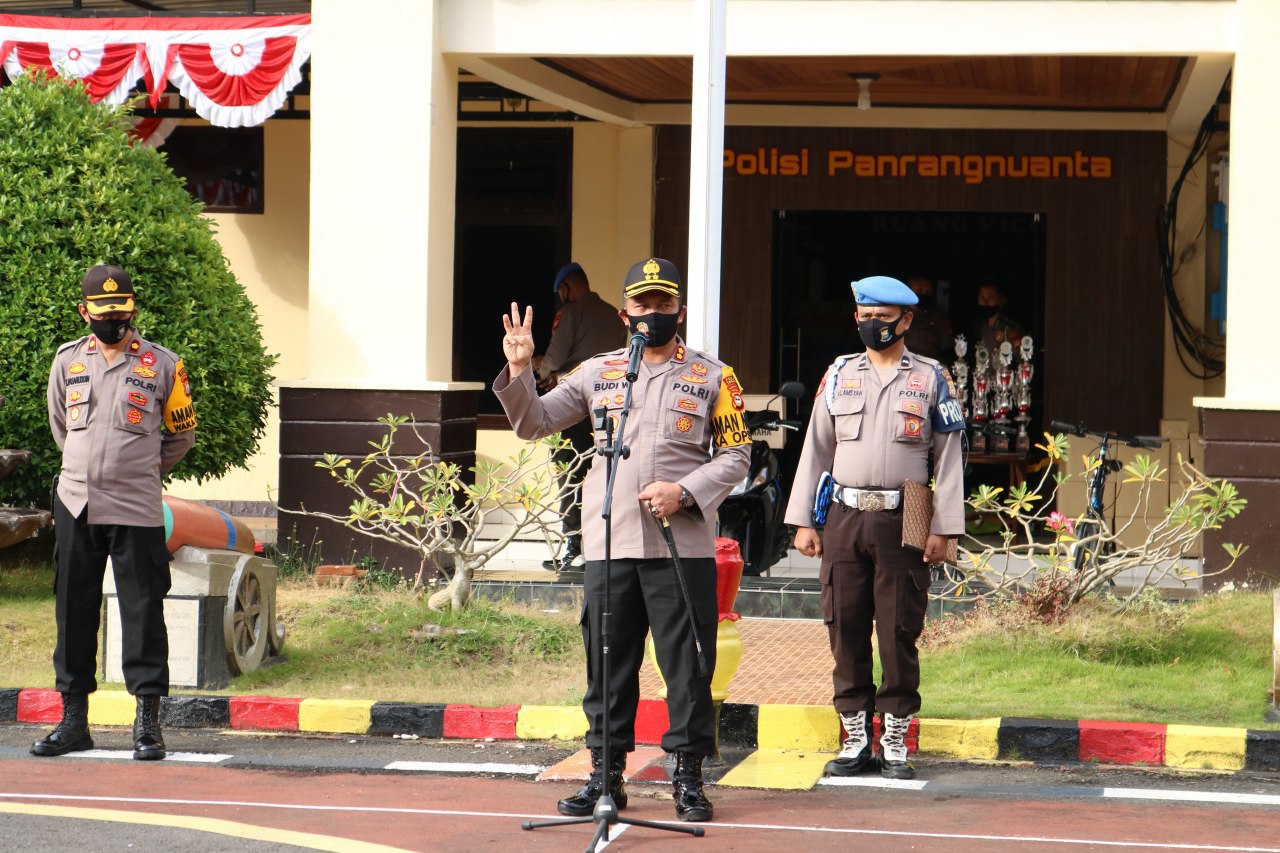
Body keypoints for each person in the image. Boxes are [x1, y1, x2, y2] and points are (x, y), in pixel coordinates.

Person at [494, 257, 751, 822]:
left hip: (681, 545)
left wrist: (684, 491)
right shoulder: (598, 372)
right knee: (607, 665)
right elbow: (534, 422)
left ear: (680, 310)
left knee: (688, 666)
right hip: (610, 543)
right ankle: (605, 776)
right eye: (642, 304)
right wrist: (519, 369)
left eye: (663, 304)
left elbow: (736, 455)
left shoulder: (715, 376)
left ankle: (688, 778)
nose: (652, 313)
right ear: (624, 313)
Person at [784, 275, 965, 780]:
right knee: (844, 627)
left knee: (898, 629)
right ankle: (856, 739)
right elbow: (816, 448)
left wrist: (944, 529)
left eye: (882, 318)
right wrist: (803, 520)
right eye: (865, 317)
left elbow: (949, 456)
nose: (872, 326)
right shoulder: (839, 374)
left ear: (905, 321)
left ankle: (896, 740)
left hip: (905, 515)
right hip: (843, 516)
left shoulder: (931, 378)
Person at [33, 265, 197, 762]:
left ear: (133, 310)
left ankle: (147, 726)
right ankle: (73, 723)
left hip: (135, 507)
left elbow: (181, 436)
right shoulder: (67, 361)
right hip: (76, 502)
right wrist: (87, 469)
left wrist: (138, 470)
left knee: (143, 614)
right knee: (73, 613)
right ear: (85, 312)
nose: (114, 321)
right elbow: (61, 427)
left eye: (121, 312)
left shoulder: (164, 365)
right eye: (104, 313)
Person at [532, 263, 626, 571]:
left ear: (566, 288)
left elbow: (555, 358)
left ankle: (573, 547)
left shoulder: (571, 313)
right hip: (610, 407)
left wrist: (542, 368)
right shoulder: (614, 314)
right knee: (605, 475)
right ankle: (602, 548)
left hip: (574, 407)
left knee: (570, 473)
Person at [902, 276, 953, 362]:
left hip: (930, 365)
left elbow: (947, 348)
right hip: (902, 364)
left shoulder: (937, 318)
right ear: (909, 290)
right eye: (919, 290)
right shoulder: (897, 315)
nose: (923, 294)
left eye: (928, 292)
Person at [975, 281, 1024, 352]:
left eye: (990, 297)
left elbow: (1022, 356)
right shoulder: (979, 327)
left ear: (1001, 300)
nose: (985, 302)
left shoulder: (1010, 329)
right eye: (982, 297)